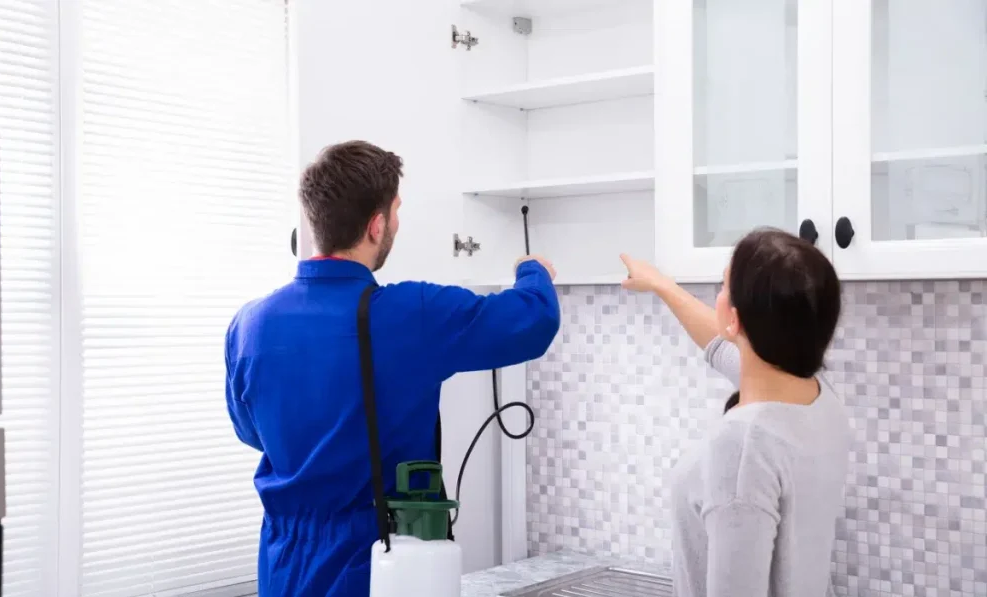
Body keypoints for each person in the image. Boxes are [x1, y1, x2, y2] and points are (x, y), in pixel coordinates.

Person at [224, 140, 561, 596]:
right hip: (372, 564)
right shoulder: (409, 313)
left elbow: (252, 433)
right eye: (396, 211)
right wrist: (532, 269)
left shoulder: (249, 323)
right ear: (377, 224)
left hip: (283, 564)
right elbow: (533, 321)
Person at [621, 228, 851, 597]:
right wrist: (661, 285)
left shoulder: (745, 444)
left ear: (736, 319)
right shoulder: (820, 400)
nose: (718, 295)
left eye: (723, 286)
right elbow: (722, 344)